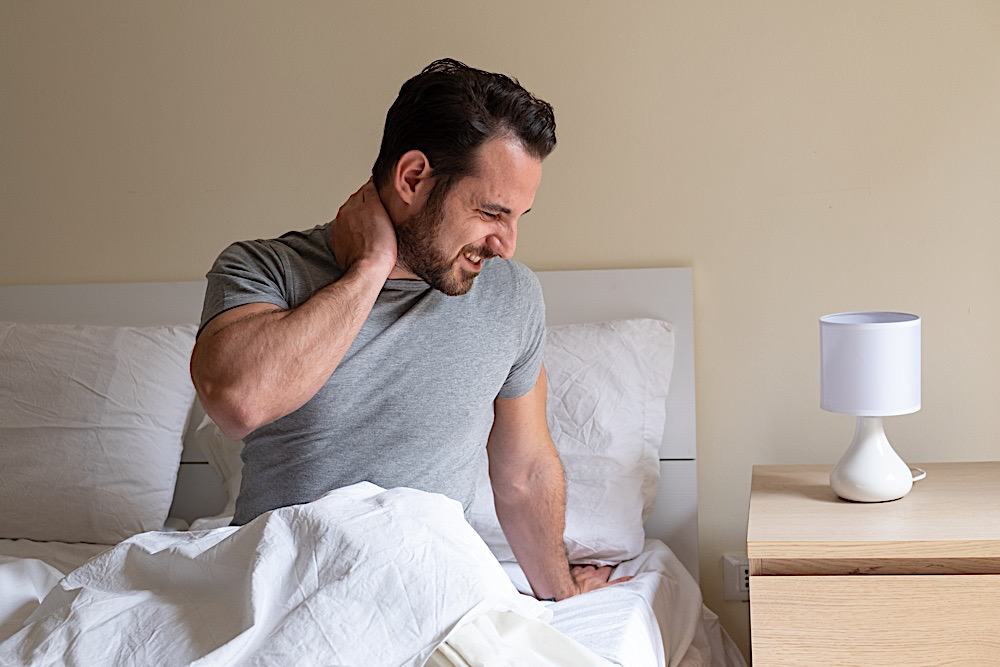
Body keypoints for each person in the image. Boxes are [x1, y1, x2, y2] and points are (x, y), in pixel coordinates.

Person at [190, 59, 627, 600]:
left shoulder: (511, 295)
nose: (507, 244)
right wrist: (369, 268)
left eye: (519, 217)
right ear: (413, 178)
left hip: (426, 587)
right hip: (277, 588)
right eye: (492, 213)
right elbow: (239, 403)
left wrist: (561, 593)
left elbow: (525, 470)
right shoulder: (264, 270)